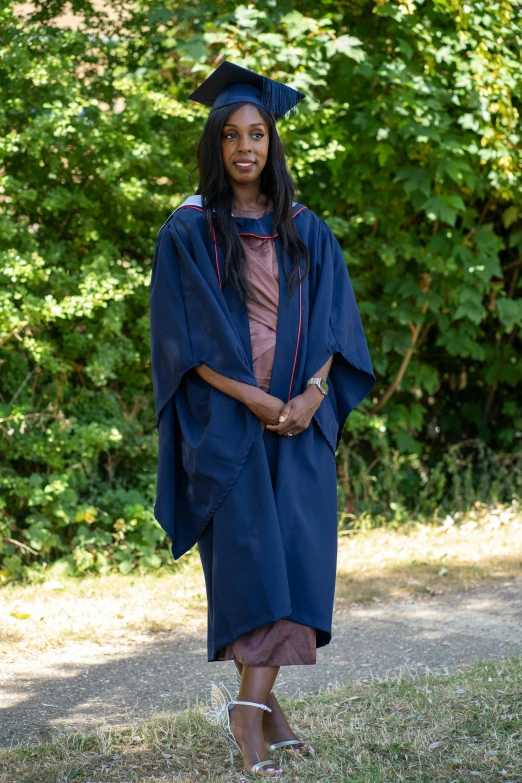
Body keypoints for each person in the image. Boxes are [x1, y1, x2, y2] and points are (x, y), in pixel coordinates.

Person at [150, 61, 375, 778]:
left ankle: (261, 708)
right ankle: (250, 715)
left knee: (299, 564)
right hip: (231, 426)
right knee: (254, 570)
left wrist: (310, 394)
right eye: (231, 136)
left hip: (301, 423)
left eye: (258, 134)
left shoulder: (308, 230)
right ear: (215, 146)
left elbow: (340, 330)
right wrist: (256, 399)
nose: (246, 147)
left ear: (273, 145)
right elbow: (182, 342)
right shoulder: (188, 232)